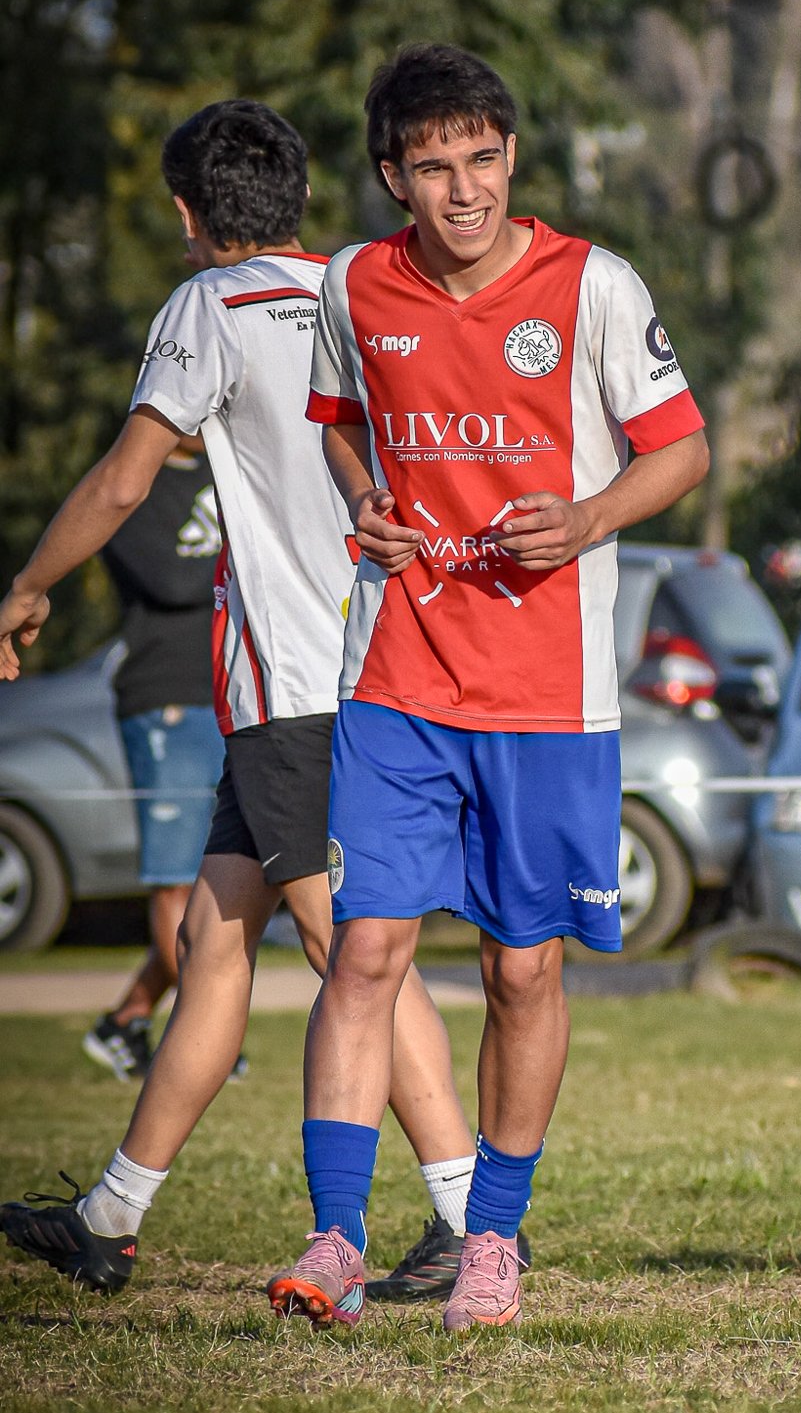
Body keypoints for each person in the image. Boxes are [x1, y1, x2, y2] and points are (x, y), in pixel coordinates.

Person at [0, 100, 488, 1304]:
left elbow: (126, 482)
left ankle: (468, 1220)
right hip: (362, 670)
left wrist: (26, 585)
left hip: (299, 685)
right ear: (303, 196)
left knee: (348, 952)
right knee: (212, 945)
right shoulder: (362, 289)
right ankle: (110, 1217)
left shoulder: (209, 304)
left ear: (187, 211)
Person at [265, 43, 708, 1334]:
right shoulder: (353, 283)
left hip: (547, 693)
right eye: (433, 167)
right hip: (397, 669)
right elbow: (343, 422)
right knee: (365, 950)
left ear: (510, 158)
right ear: (391, 177)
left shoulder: (592, 286)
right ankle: (335, 1239)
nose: (462, 189)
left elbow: (681, 451)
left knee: (522, 973)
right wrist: (366, 502)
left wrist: (586, 518)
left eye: (481, 160)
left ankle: (492, 1241)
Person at [82, 435, 228, 1083]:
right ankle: (204, 1032)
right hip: (168, 697)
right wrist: (245, 552)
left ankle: (126, 1019)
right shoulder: (126, 481)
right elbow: (170, 578)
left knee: (231, 882)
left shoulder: (228, 464)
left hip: (236, 695)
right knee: (176, 883)